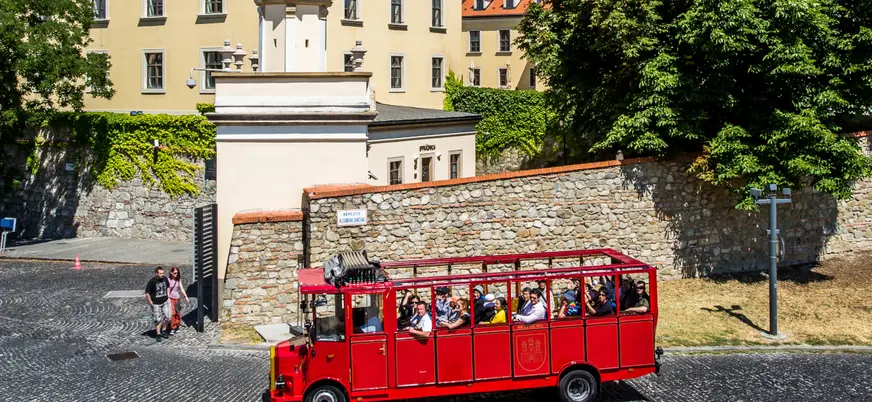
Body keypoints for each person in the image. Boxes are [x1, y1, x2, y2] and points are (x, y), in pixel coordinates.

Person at [145, 266, 172, 342]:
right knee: (157, 319)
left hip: (166, 301)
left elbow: (168, 286)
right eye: (160, 273)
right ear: (156, 273)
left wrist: (168, 295)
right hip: (156, 303)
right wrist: (151, 303)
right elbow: (147, 293)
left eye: (163, 273)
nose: (162, 275)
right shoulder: (152, 281)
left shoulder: (165, 279)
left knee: (168, 316)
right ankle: (158, 334)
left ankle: (164, 330)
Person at [166, 266, 189, 335]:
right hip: (171, 298)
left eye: (177, 273)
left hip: (177, 298)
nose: (176, 274)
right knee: (172, 313)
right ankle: (173, 327)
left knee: (177, 313)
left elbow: (181, 289)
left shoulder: (178, 280)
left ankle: (177, 325)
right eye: (175, 273)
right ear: (171, 273)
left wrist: (186, 297)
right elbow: (167, 289)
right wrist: (167, 298)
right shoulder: (168, 280)